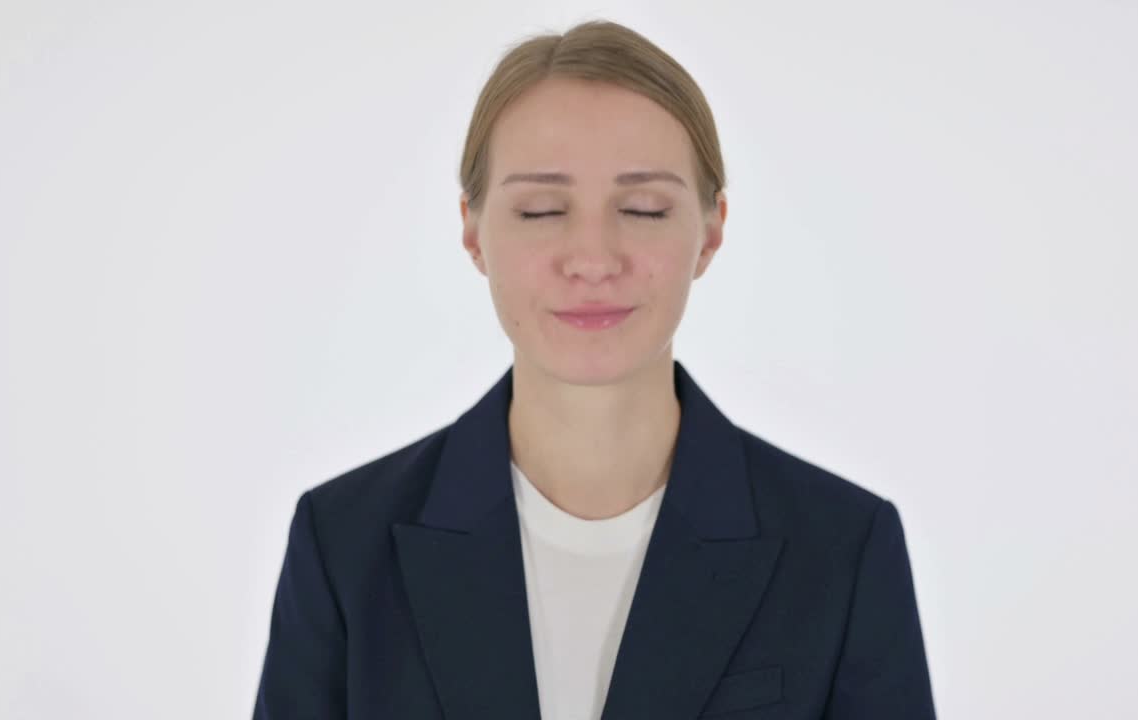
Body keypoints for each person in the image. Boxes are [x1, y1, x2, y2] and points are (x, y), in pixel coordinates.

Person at [253, 18, 936, 720]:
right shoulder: (343, 546)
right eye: (542, 210)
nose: (593, 259)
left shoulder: (844, 551)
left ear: (711, 231)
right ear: (471, 230)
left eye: (643, 209)